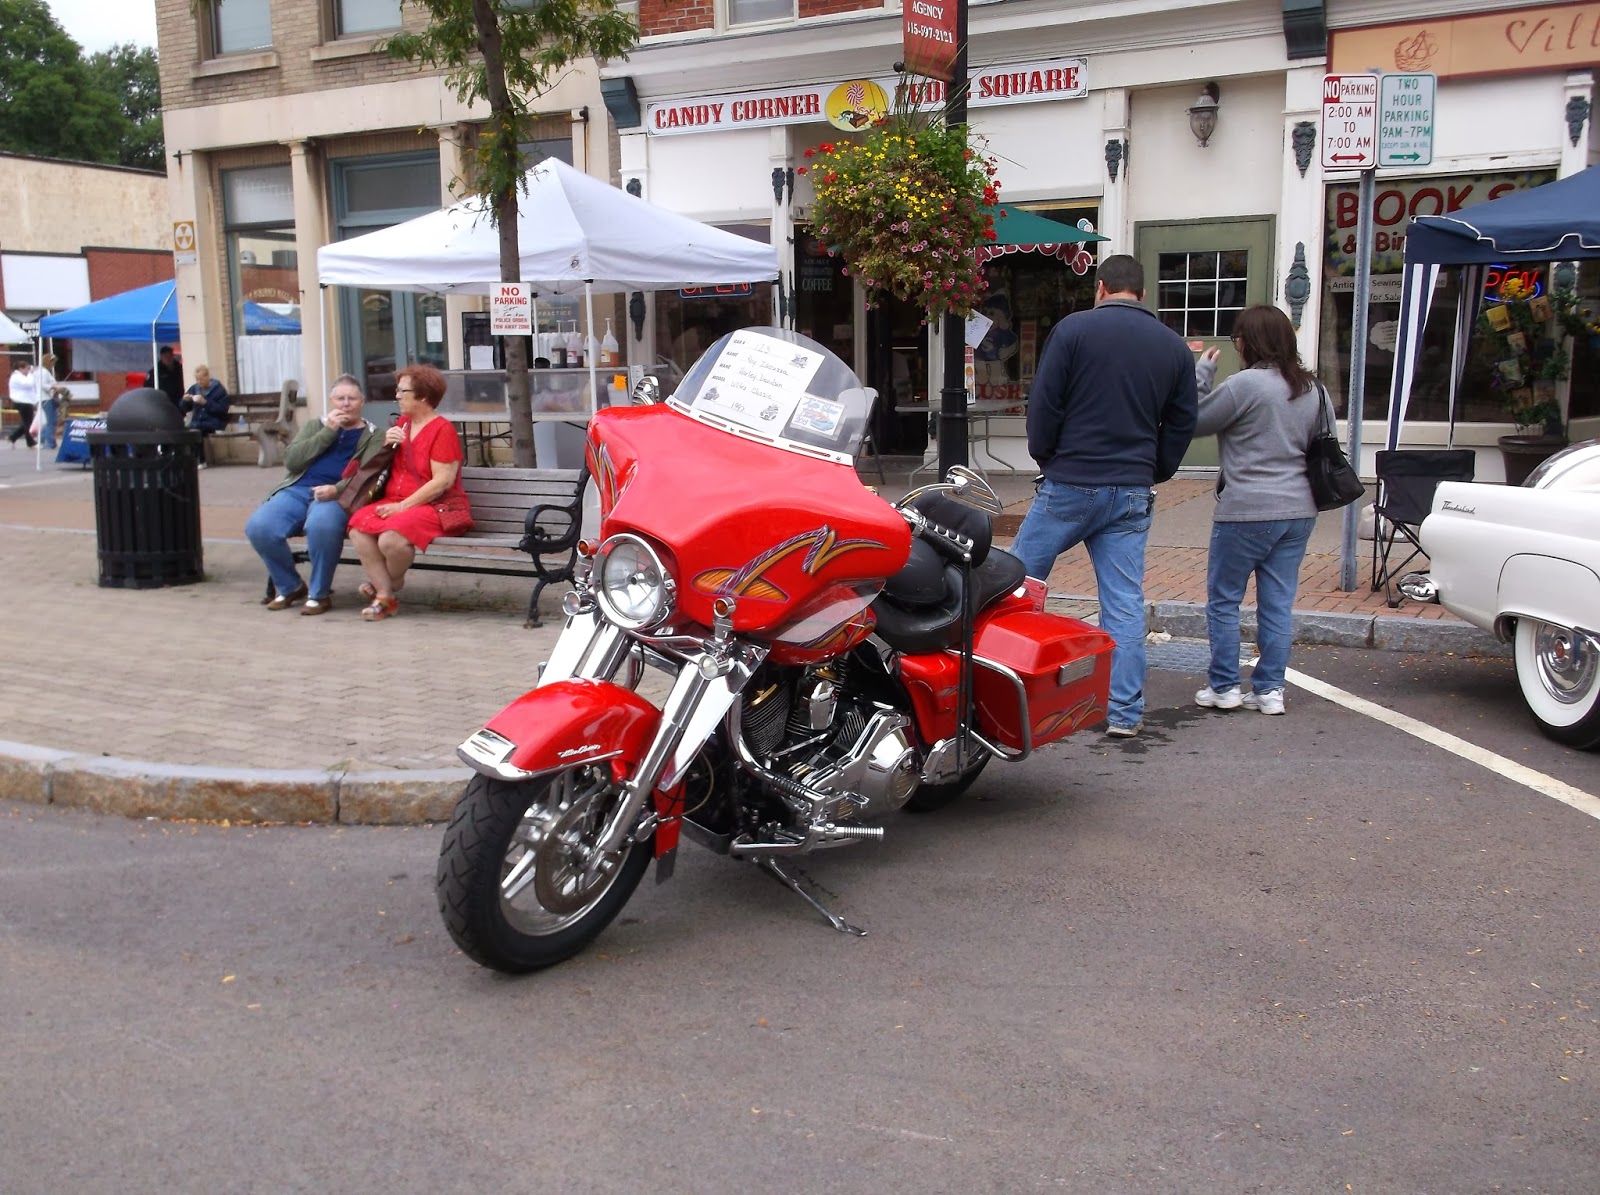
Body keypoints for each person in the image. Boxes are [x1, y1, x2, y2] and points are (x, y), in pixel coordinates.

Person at [1010, 254, 1198, 738]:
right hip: (1132, 486)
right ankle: (1124, 712)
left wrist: (1045, 456)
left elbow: (1045, 402)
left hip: (1071, 478)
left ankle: (1009, 690)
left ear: (1100, 287)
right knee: (1123, 602)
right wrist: (1156, 468)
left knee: (1016, 585)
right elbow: (1181, 422)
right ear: (1142, 293)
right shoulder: (1173, 347)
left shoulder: (1073, 331)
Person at [1191, 305, 1322, 717]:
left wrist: (1202, 376)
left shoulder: (1245, 385)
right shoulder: (1311, 387)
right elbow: (1327, 442)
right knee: (1278, 602)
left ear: (1247, 342)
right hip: (1299, 508)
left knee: (1225, 600)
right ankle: (1269, 691)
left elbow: (1195, 422)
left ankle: (1225, 686)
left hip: (1247, 508)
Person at [245, 374, 388, 615]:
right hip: (299, 489)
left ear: (362, 401)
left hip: (338, 496)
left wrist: (337, 489)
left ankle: (319, 594)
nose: (345, 404)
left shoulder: (374, 435)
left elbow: (368, 476)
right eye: (340, 398)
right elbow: (292, 461)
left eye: (351, 398)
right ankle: (289, 586)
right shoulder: (316, 426)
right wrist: (328, 432)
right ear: (331, 400)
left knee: (322, 525)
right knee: (259, 527)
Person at [346, 364, 471, 622]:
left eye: (403, 391)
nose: (397, 396)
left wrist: (403, 507)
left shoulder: (442, 430)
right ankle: (386, 595)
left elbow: (442, 483)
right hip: (396, 500)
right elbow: (383, 465)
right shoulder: (402, 423)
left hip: (433, 505)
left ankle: (388, 587)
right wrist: (387, 444)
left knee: (390, 539)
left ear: (423, 396)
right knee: (358, 527)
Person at [181, 365, 232, 435]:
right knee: (184, 433)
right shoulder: (194, 389)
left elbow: (222, 410)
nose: (199, 382)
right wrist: (186, 401)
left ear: (207, 377)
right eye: (197, 379)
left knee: (198, 433)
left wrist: (205, 403)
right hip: (197, 423)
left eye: (201, 379)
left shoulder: (219, 390)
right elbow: (184, 408)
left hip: (213, 423)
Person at [7, 358, 38, 448]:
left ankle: (13, 437)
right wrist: (31, 374)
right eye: (26, 369)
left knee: (27, 423)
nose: (28, 371)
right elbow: (28, 384)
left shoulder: (19, 376)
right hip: (22, 402)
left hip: (25, 401)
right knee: (28, 423)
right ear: (20, 368)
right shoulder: (17, 377)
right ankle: (30, 442)